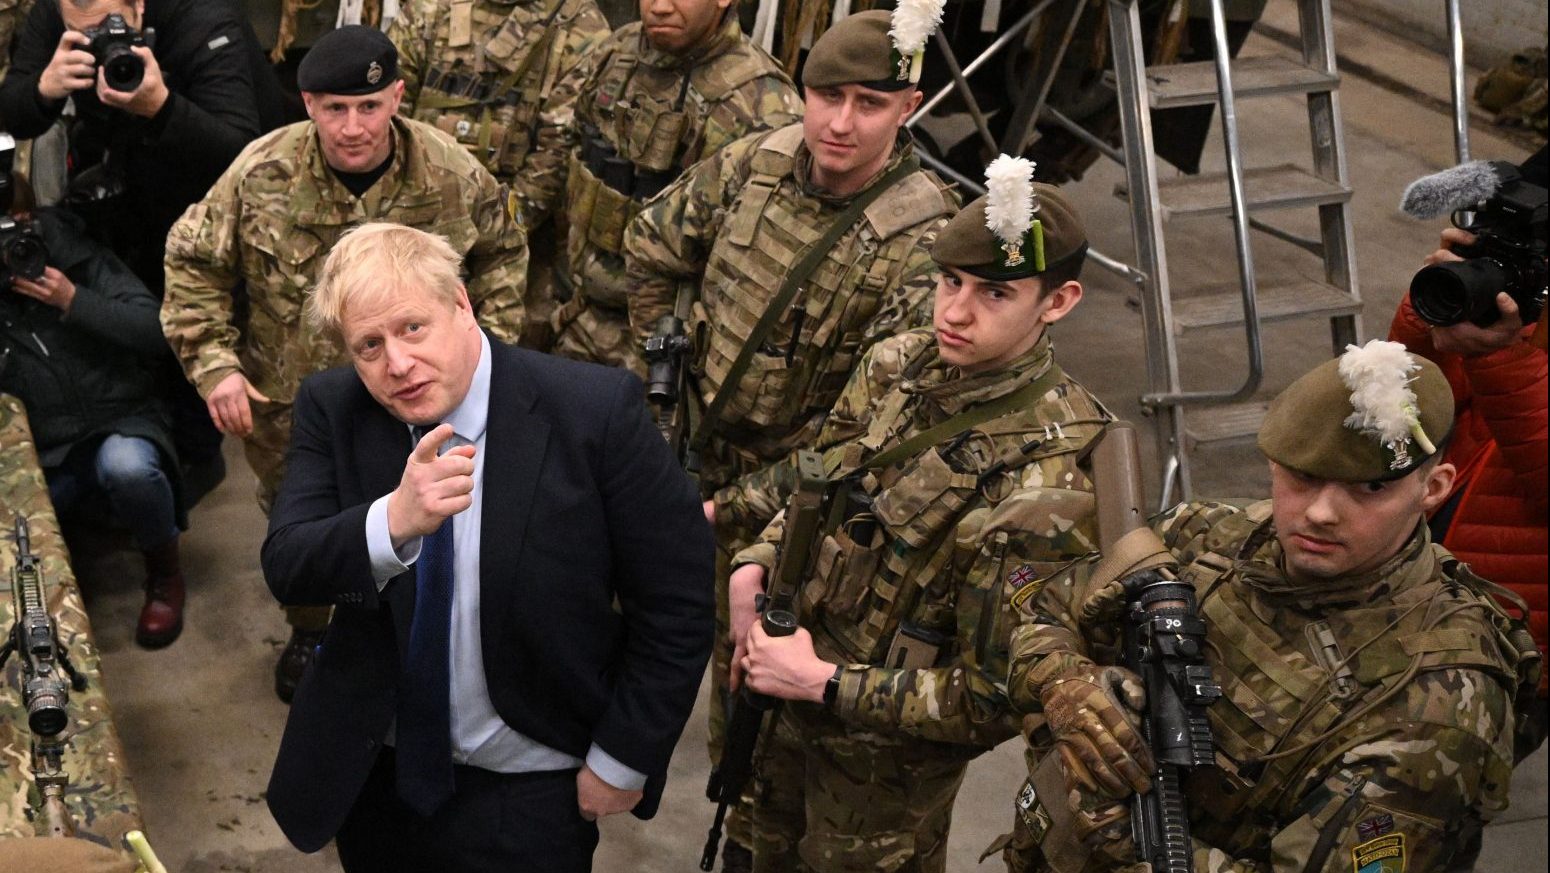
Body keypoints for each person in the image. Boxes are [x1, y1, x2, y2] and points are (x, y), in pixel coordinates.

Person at [261, 222, 714, 873]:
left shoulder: (592, 411)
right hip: (377, 775)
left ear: (461, 304)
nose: (396, 363)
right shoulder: (334, 408)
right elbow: (289, 564)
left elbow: (677, 598)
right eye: (368, 345)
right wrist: (394, 520)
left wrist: (622, 754)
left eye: (412, 327)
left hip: (531, 780)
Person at [997, 341, 1541, 872]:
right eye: (1303, 476)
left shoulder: (1436, 703)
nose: (1322, 513)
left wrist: (1120, 836)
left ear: (1434, 488)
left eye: (1370, 487)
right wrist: (1065, 683)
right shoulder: (1211, 534)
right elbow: (1046, 607)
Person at [624, 11, 954, 866]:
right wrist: (665, 366)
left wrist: (730, 507)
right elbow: (654, 242)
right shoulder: (758, 161)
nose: (840, 123)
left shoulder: (922, 239)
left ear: (908, 106)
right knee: (638, 643)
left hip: (801, 517)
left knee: (760, 723)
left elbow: (871, 437)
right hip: (693, 464)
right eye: (825, 95)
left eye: (869, 103)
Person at [729, 158, 1108, 873]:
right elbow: (820, 485)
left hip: (879, 790)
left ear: (1057, 302)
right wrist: (759, 558)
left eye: (995, 292)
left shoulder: (1048, 479)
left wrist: (827, 682)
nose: (955, 311)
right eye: (949, 281)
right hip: (782, 709)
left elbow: (996, 696)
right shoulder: (896, 366)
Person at [160, 25, 529, 702]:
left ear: (397, 97)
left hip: (421, 396)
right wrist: (215, 364)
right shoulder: (261, 172)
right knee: (305, 524)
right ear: (307, 103)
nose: (352, 126)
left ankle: (425, 636)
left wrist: (481, 358)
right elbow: (192, 262)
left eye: (369, 106)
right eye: (334, 108)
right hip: (295, 406)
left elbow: (504, 254)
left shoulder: (449, 172)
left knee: (432, 516)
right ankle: (312, 628)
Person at [0, 0, 287, 489]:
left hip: (223, 193)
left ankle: (198, 458)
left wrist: (162, 106)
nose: (94, 42)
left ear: (138, 6)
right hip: (125, 179)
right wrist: (41, 91)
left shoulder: (205, 17)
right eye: (81, 35)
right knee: (136, 310)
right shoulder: (57, 11)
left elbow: (241, 153)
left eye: (106, 31)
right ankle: (148, 448)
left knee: (202, 318)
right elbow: (12, 114)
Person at [1387, 146, 1548, 755]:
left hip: (1509, 636)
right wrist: (1431, 310)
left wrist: (1502, 360)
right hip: (1415, 594)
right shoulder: (1516, 302)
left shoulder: (1510, 344)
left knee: (1427, 810)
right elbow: (1402, 423)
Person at [0, 144, 189, 647]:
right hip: (44, 446)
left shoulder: (73, 254)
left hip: (118, 419)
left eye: (19, 227)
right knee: (16, 525)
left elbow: (156, 329)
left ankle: (164, 572)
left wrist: (73, 300)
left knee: (128, 468)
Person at [548, 0, 801, 368]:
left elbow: (759, 268)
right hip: (576, 318)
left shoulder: (763, 102)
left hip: (662, 350)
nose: (660, 7)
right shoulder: (617, 53)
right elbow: (571, 149)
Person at [388, 0, 609, 349]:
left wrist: (497, 230)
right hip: (410, 220)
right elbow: (391, 110)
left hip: (516, 235)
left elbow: (556, 154)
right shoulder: (429, 9)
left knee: (506, 353)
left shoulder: (579, 25)